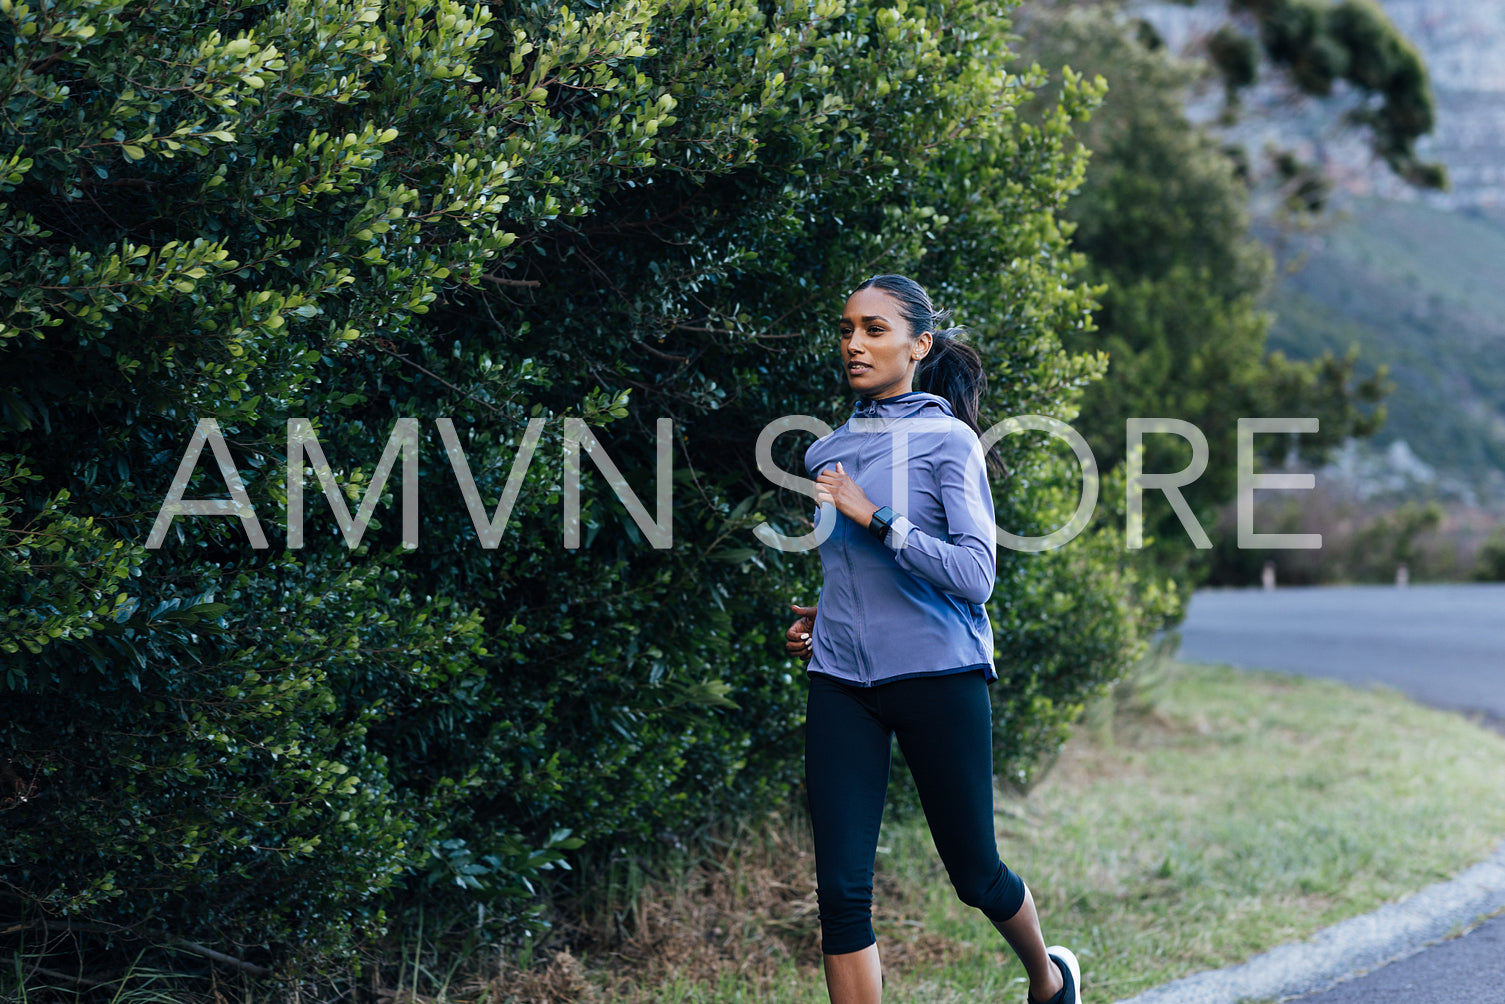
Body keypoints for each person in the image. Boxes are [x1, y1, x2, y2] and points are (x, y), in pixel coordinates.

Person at [784, 275, 1081, 1004]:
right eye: (847, 327)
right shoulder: (826, 450)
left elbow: (975, 574)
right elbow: (853, 570)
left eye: (874, 329)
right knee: (841, 893)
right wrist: (822, 618)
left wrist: (875, 515)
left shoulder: (948, 441)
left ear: (917, 346)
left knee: (973, 872)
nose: (854, 342)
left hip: (938, 676)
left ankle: (1048, 980)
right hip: (842, 684)